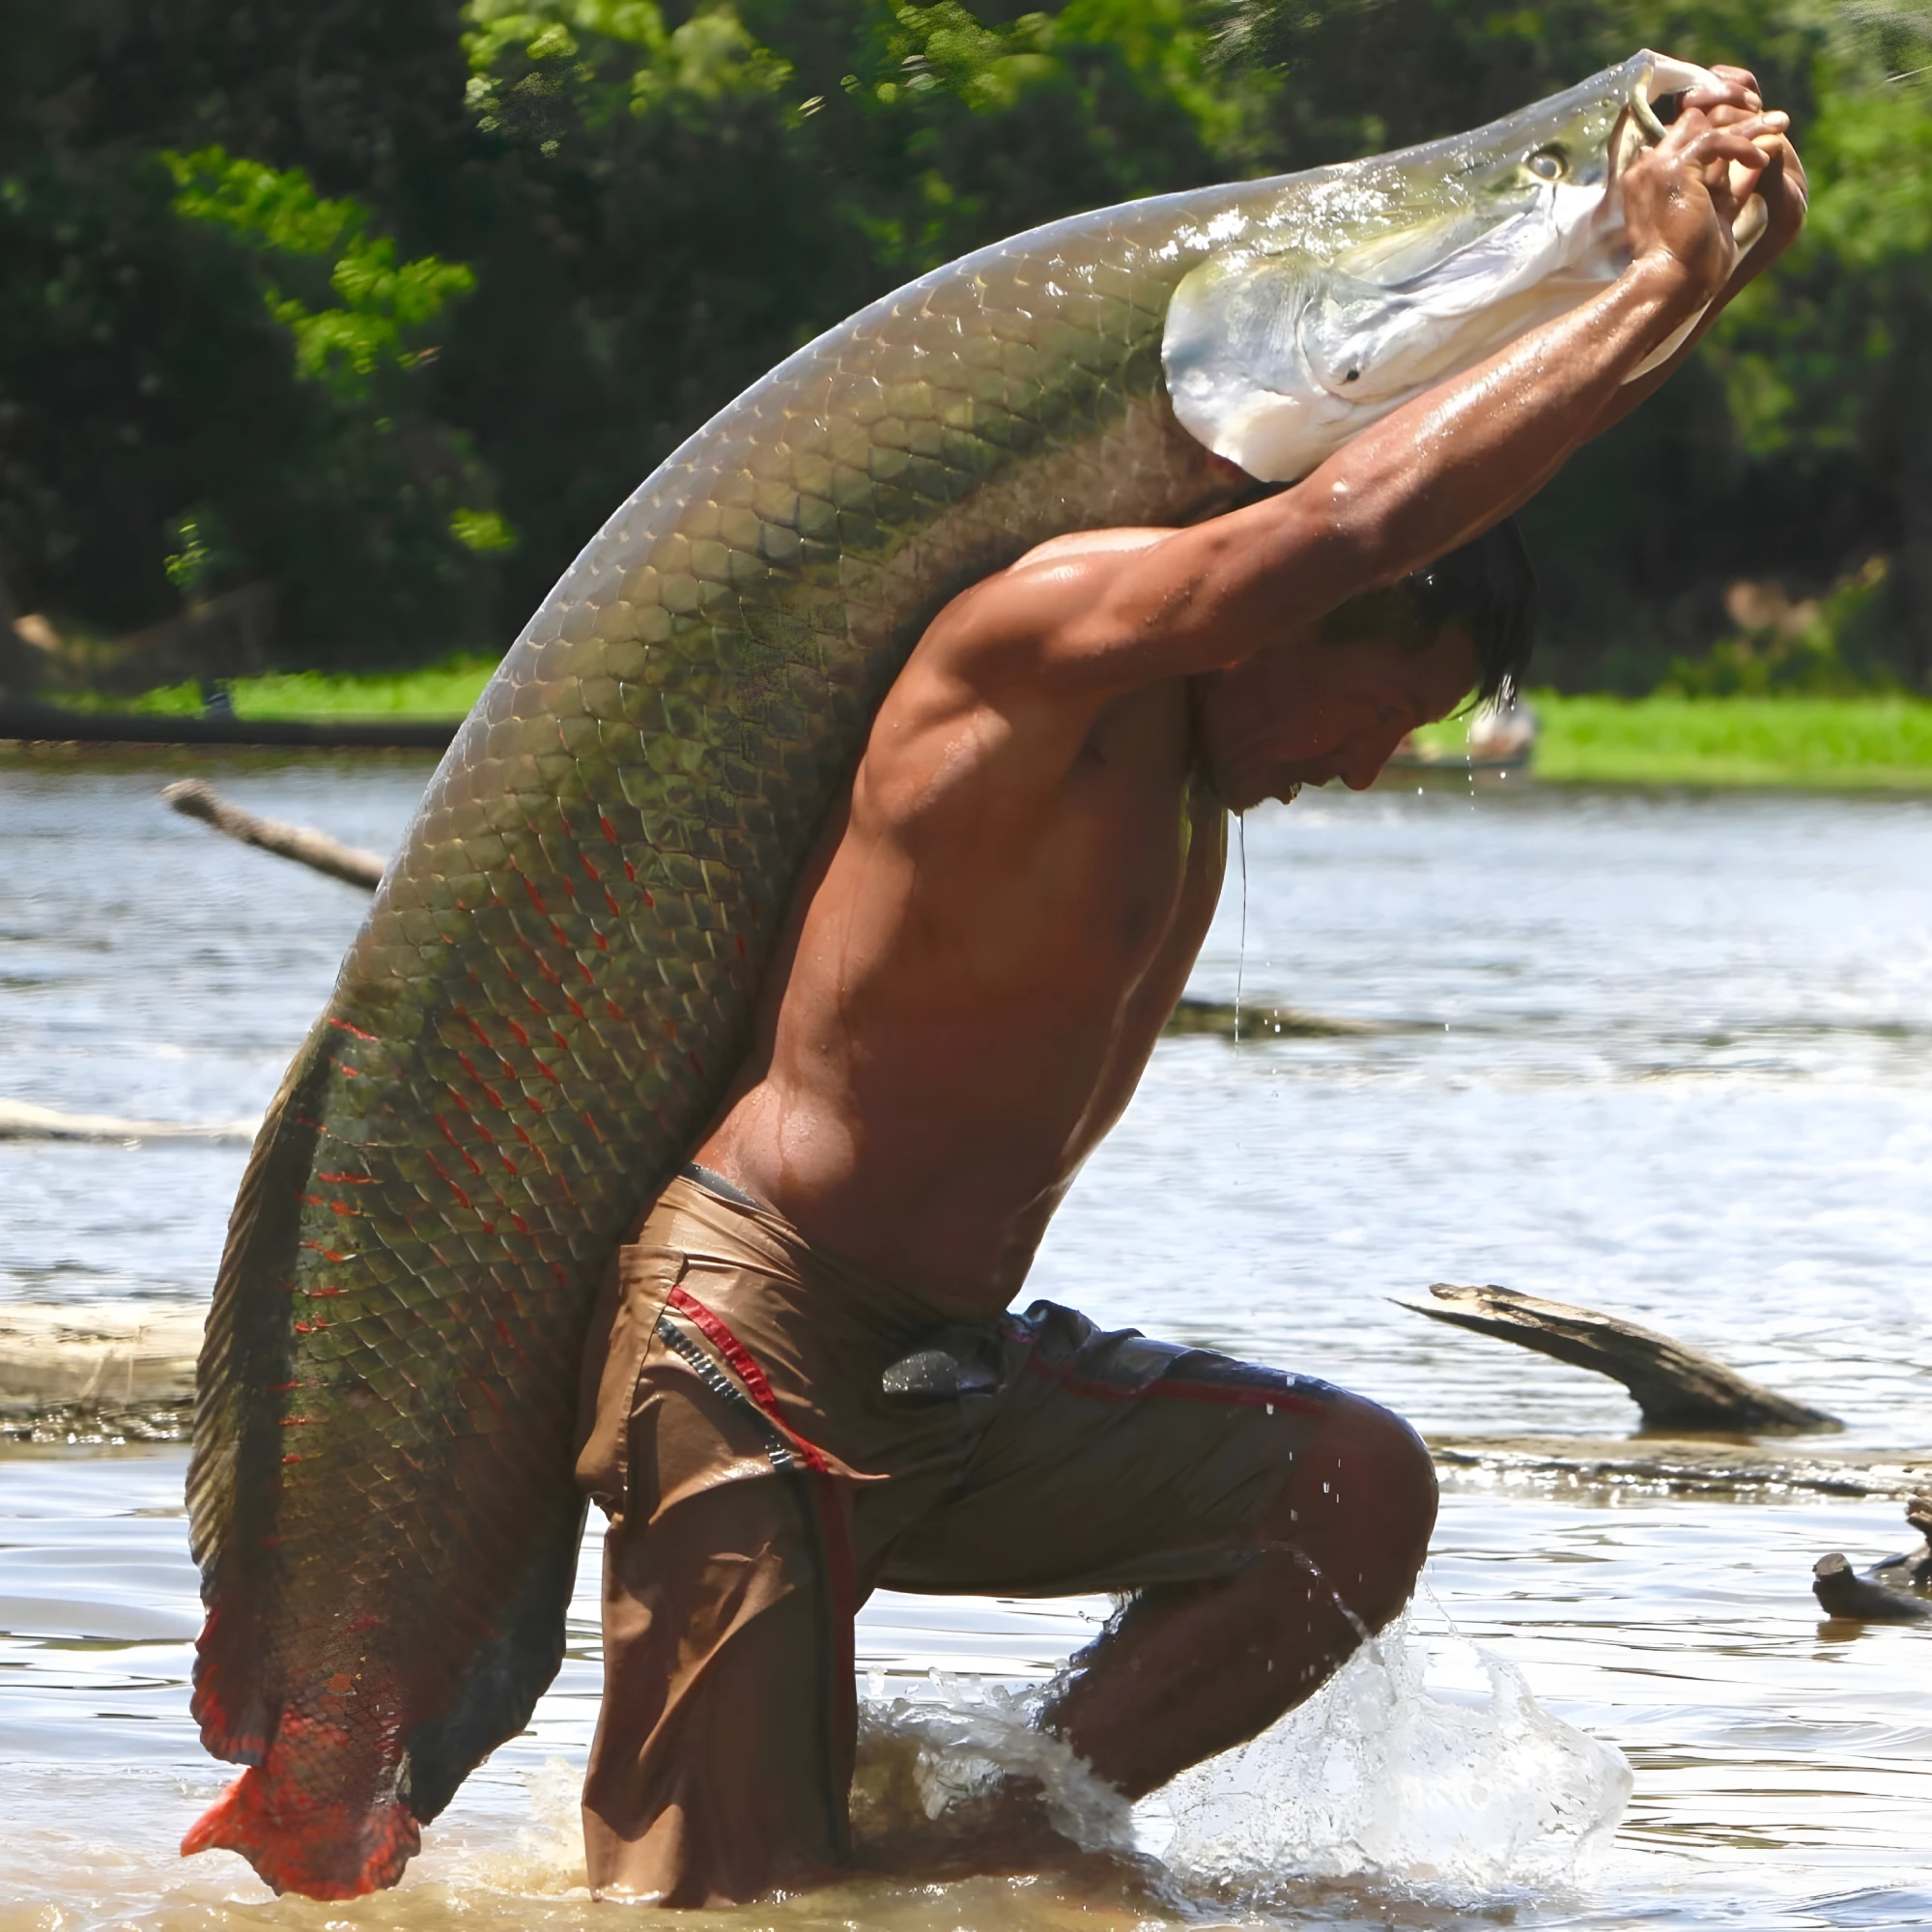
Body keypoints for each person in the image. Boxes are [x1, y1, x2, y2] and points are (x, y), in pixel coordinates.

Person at [571, 71, 1805, 1905]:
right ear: (1286, 616)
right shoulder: (1044, 647)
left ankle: (1008, 1828)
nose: (1368, 766)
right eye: (1376, 712)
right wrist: (1651, 290)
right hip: (758, 1352)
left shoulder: (1191, 793)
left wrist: (1680, 275)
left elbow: (1381, 491)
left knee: (1352, 1489)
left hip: (959, 1372)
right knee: (709, 1910)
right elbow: (1346, 517)